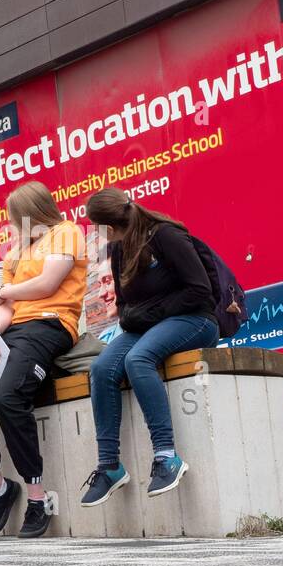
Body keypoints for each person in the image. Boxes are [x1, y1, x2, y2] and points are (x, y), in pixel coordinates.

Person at [0, 181, 86, 538]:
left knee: (7, 399)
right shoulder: (15, 252)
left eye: (15, 216)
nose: (12, 223)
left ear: (31, 213)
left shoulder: (66, 232)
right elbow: (5, 307)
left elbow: (48, 284)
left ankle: (38, 499)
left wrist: (5, 291)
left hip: (51, 325)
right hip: (11, 332)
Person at [78, 189, 220, 507]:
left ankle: (167, 456)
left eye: (96, 227)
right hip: (150, 326)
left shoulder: (165, 235)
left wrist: (151, 313)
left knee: (138, 359)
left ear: (109, 226)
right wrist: (134, 317)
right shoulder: (118, 250)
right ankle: (110, 466)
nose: (96, 233)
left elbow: (200, 290)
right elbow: (126, 307)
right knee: (101, 369)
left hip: (195, 320)